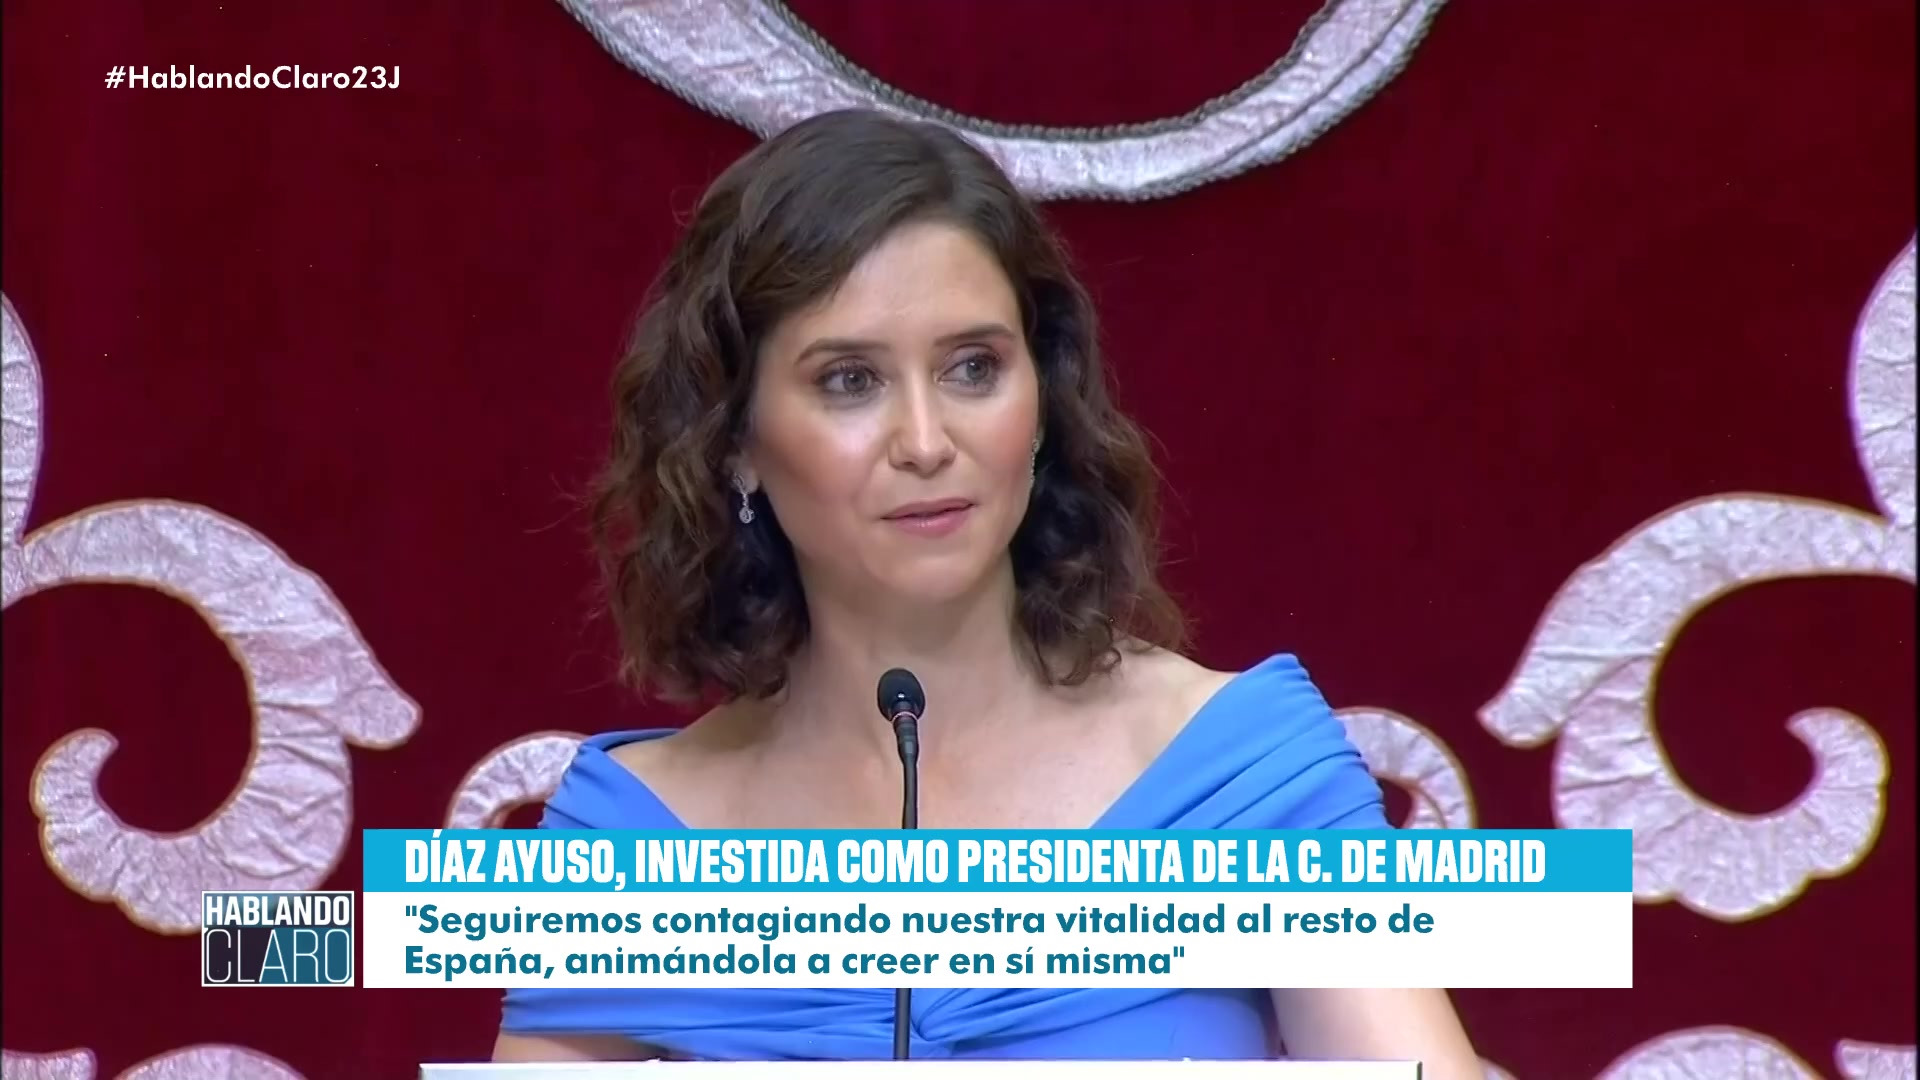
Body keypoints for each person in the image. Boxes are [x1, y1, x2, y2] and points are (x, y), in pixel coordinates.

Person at [492, 107, 1480, 1074]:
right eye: (849, 381)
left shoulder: (1241, 772)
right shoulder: (631, 836)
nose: (927, 443)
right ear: (735, 438)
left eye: (974, 368)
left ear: (1041, 404)